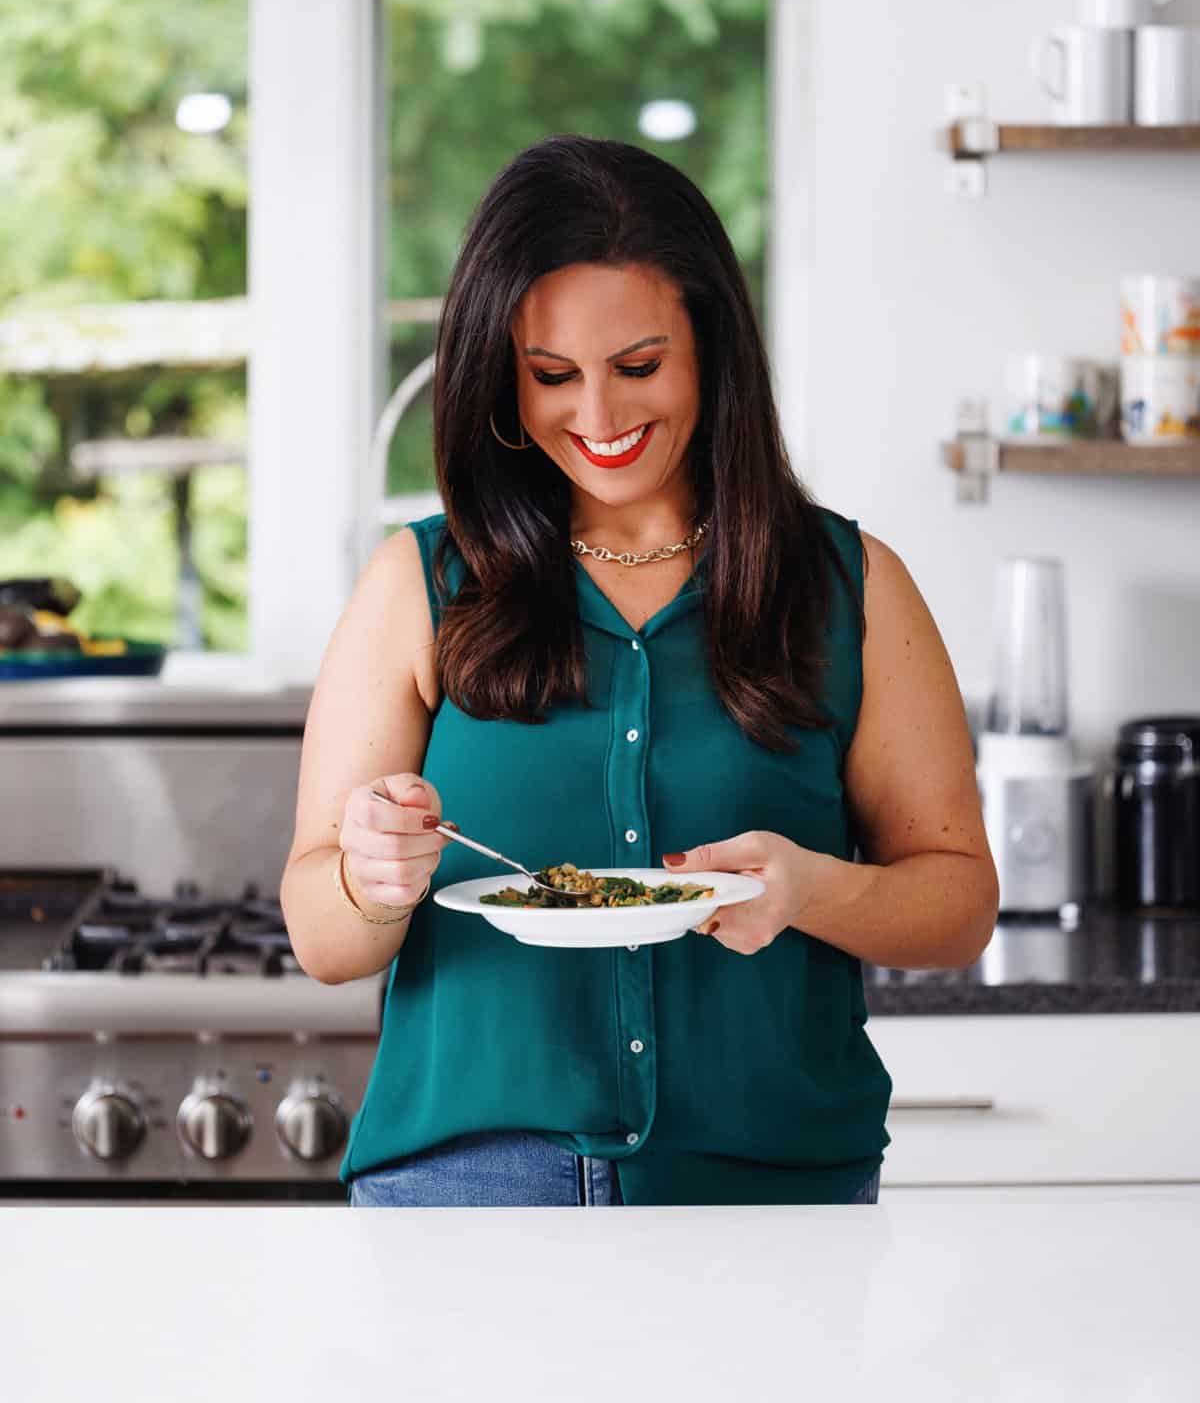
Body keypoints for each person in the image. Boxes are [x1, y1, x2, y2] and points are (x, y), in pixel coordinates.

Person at [280, 135, 998, 1208]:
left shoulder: (849, 584)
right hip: (473, 1192)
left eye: (640, 367)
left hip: (769, 1197)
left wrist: (808, 889)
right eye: (552, 376)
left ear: (712, 348)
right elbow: (321, 934)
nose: (601, 419)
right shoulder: (418, 584)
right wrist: (369, 876)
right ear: (499, 374)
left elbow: (957, 899)